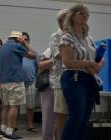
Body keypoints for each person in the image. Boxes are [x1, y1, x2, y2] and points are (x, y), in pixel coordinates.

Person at [59, 4, 105, 140]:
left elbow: (99, 58)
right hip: (74, 78)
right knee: (76, 117)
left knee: (85, 119)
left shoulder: (88, 38)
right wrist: (90, 63)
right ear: (72, 16)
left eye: (87, 14)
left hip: (89, 78)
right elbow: (68, 62)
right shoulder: (66, 37)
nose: (85, 15)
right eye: (81, 13)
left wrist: (98, 64)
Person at [0, 31, 36, 140]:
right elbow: (34, 55)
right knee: (14, 106)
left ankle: (2, 130)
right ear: (18, 38)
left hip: (3, 82)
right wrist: (25, 43)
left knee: (6, 106)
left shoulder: (3, 48)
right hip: (15, 81)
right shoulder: (17, 46)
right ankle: (9, 133)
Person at [49, 9, 69, 140]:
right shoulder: (55, 36)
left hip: (74, 80)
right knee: (61, 116)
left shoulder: (73, 35)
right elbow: (61, 57)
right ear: (61, 21)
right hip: (60, 81)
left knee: (71, 116)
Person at [22, 32, 38, 132]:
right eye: (22, 39)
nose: (24, 41)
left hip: (31, 81)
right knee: (16, 105)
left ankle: (30, 124)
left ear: (28, 41)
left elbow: (38, 66)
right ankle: (13, 124)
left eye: (26, 39)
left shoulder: (32, 53)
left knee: (31, 105)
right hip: (18, 82)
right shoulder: (17, 51)